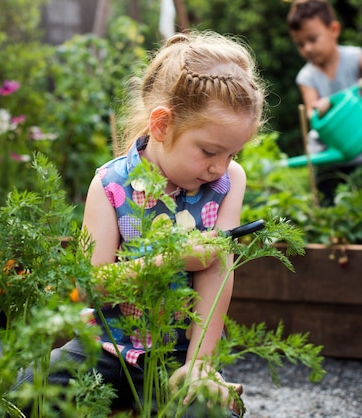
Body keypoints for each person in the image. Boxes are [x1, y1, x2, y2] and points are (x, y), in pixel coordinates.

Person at [17, 30, 266, 417]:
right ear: (162, 126)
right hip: (106, 346)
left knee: (207, 410)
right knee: (24, 396)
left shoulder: (228, 181)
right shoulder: (109, 184)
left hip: (176, 352)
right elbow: (92, 285)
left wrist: (200, 364)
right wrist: (171, 260)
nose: (220, 166)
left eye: (234, 152)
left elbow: (217, 274)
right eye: (209, 151)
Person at [286, 0, 362, 206]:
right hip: (328, 155)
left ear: (334, 29)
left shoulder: (354, 57)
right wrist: (319, 109)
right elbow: (311, 113)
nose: (307, 48)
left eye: (312, 39)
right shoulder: (306, 76)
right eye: (300, 44)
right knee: (329, 207)